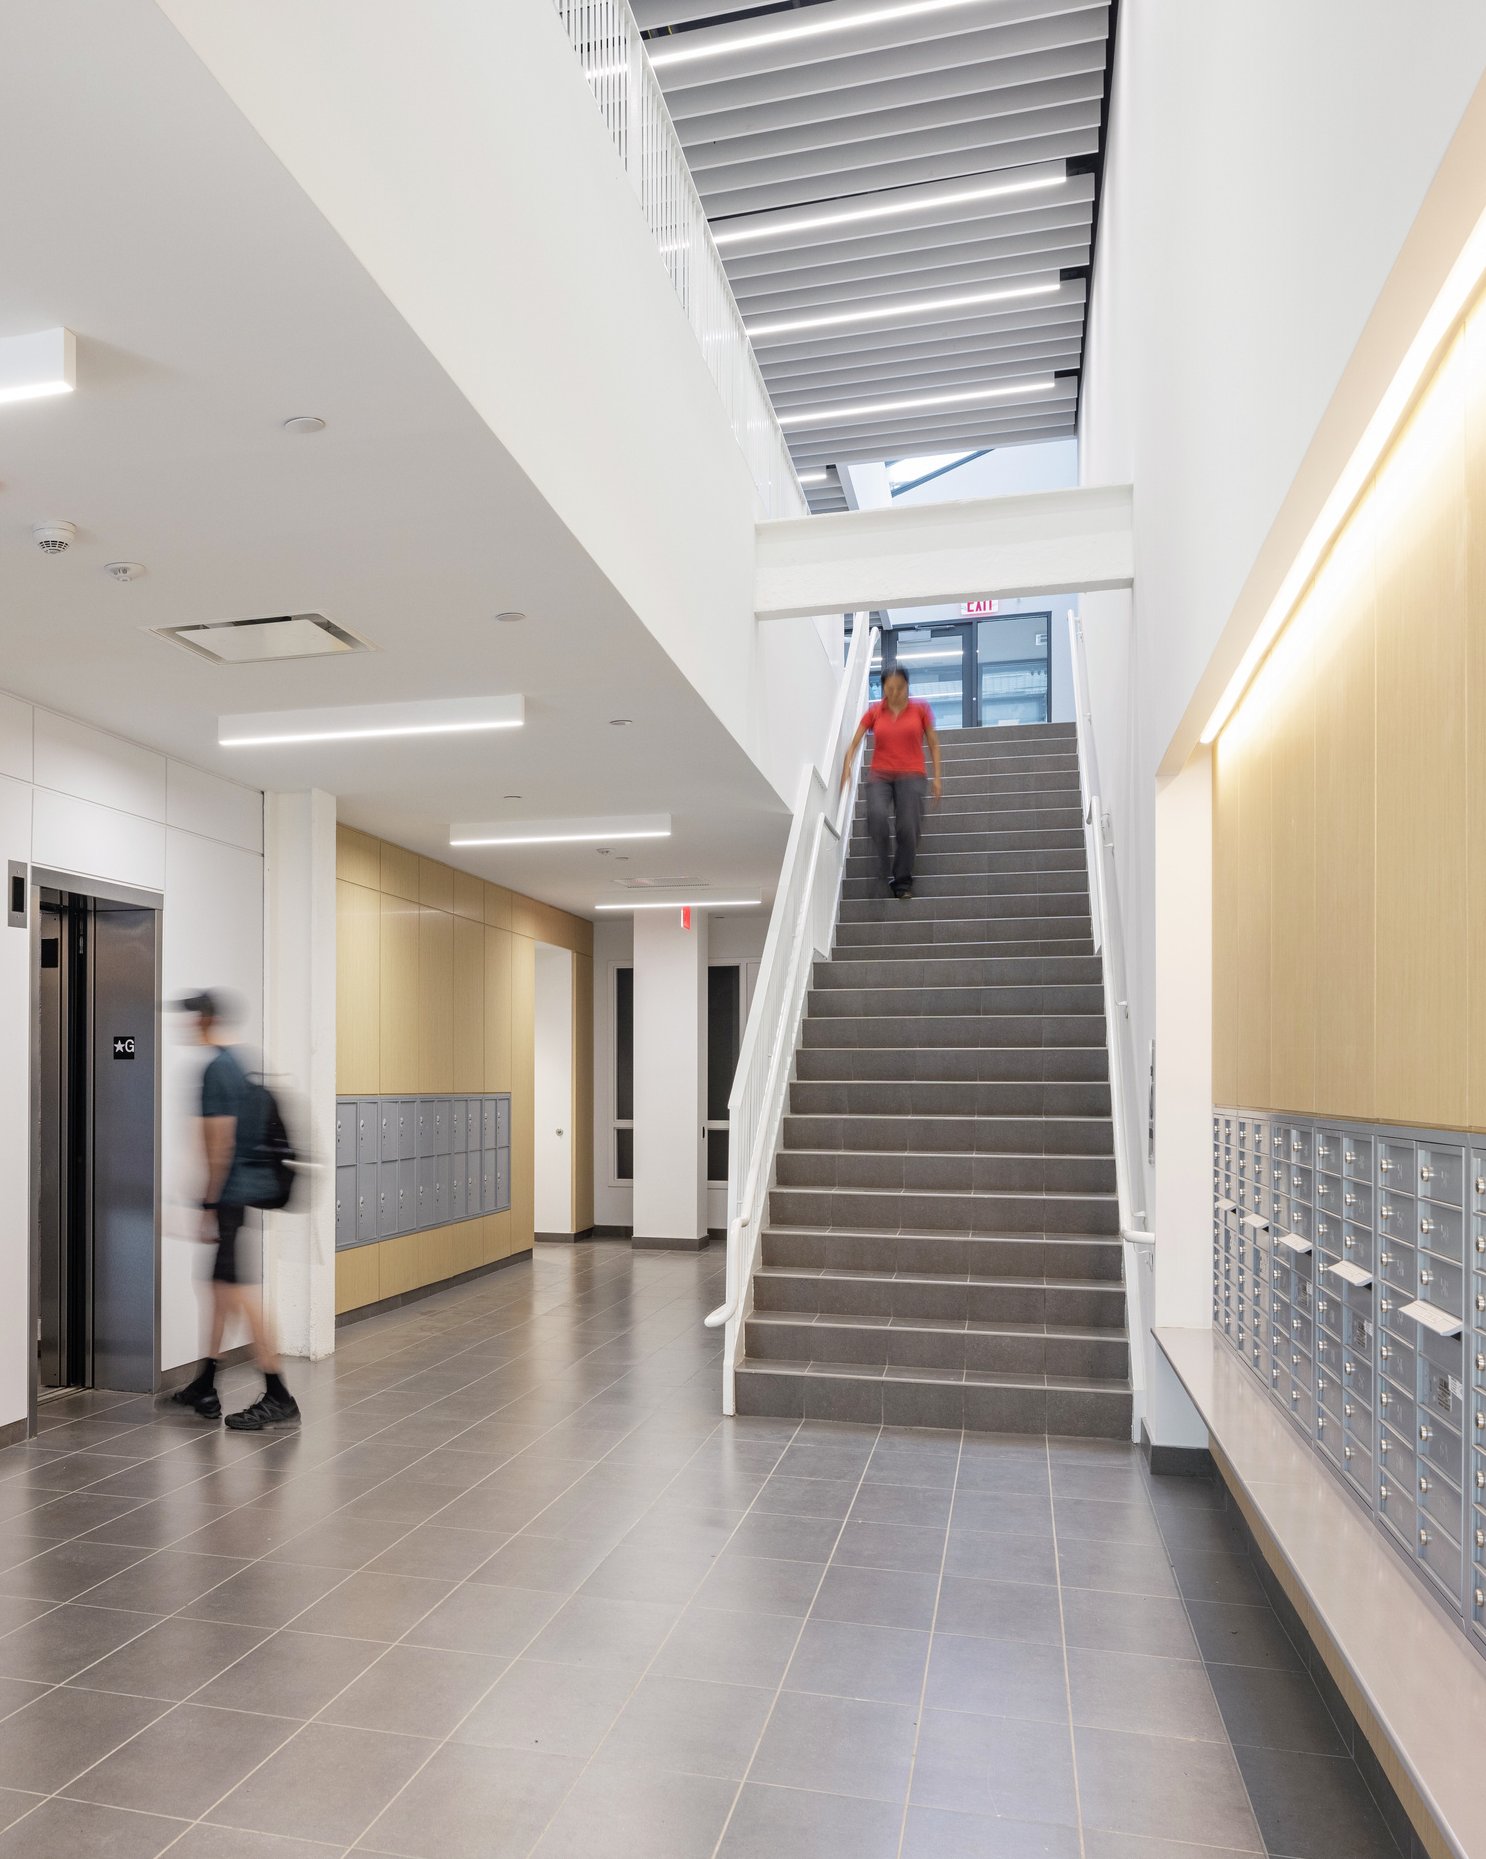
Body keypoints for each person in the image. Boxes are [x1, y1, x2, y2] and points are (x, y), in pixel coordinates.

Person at [170, 991, 300, 1430]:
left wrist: (207, 1203)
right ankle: (205, 1382)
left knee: (239, 1293)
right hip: (238, 1194)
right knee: (220, 1290)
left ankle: (278, 1393)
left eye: (191, 1017)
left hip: (228, 1196)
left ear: (206, 1019)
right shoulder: (238, 1062)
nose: (186, 1025)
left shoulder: (216, 1071)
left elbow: (220, 1145)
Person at [840, 663, 942, 899]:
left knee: (908, 827)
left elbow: (933, 744)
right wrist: (846, 765)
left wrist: (937, 777)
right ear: (883, 688)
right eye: (889, 688)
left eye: (900, 688)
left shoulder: (920, 709)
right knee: (876, 816)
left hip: (912, 775)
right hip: (881, 775)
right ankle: (882, 865)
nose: (895, 693)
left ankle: (902, 881)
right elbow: (854, 742)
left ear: (907, 686)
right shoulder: (875, 711)